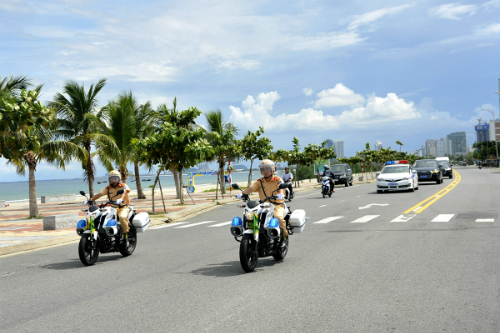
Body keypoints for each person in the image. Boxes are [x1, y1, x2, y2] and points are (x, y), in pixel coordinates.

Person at [237, 159, 288, 239]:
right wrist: (243, 193)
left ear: (272, 169)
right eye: (263, 169)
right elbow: (251, 188)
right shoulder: (259, 182)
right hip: (263, 206)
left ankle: (284, 236)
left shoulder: (278, 180)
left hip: (276, 205)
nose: (265, 171)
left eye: (267, 168)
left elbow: (281, 187)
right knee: (251, 217)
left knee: (278, 217)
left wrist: (281, 194)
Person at [89, 170, 132, 247]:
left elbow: (124, 192)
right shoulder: (108, 188)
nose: (113, 180)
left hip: (123, 207)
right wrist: (90, 199)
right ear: (109, 179)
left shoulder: (123, 185)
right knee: (102, 218)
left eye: (115, 178)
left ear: (119, 179)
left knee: (122, 217)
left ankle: (126, 238)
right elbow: (99, 194)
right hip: (112, 208)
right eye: (112, 179)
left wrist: (121, 199)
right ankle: (106, 236)